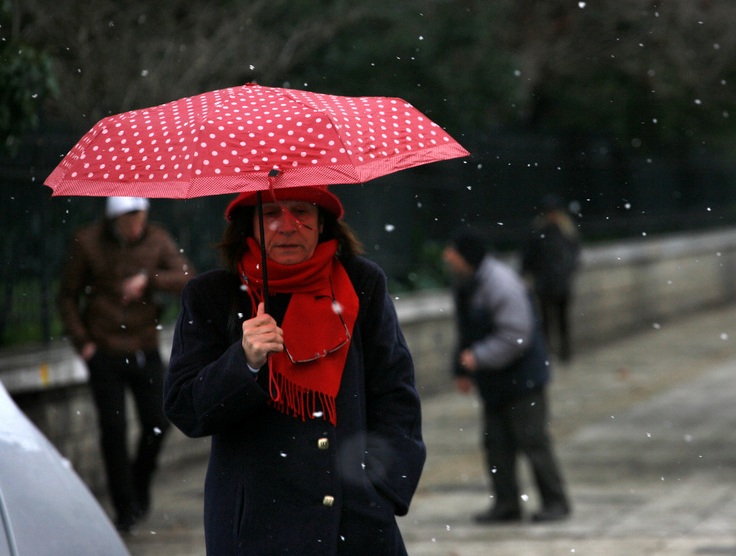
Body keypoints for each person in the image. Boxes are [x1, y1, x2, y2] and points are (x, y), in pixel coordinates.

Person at [164, 186, 426, 556]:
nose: (287, 226)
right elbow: (186, 408)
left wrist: (380, 491)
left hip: (354, 526)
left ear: (322, 223)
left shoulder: (361, 284)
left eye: (301, 211)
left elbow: (396, 394)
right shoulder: (213, 295)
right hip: (255, 530)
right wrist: (244, 360)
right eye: (270, 213)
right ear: (249, 226)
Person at [58, 196, 194, 532]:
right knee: (113, 430)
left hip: (144, 345)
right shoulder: (88, 242)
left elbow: (187, 277)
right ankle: (125, 508)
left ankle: (138, 485)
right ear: (114, 220)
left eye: (140, 219)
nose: (136, 228)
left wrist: (149, 280)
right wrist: (84, 344)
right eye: (128, 221)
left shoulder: (157, 239)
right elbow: (67, 296)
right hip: (104, 349)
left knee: (158, 422)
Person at [443, 229, 570, 524]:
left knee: (533, 441)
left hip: (522, 378)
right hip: (495, 380)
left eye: (452, 251)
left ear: (467, 257)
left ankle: (555, 501)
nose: (447, 256)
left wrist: (478, 357)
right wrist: (462, 369)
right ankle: (506, 504)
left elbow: (516, 336)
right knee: (496, 444)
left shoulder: (500, 284)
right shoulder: (467, 284)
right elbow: (466, 332)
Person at [520, 194, 581, 363]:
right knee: (546, 320)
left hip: (560, 280)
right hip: (545, 281)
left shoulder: (566, 230)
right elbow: (528, 255)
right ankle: (548, 353)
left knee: (562, 319)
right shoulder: (538, 231)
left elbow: (574, 255)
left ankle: (564, 351)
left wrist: (567, 271)